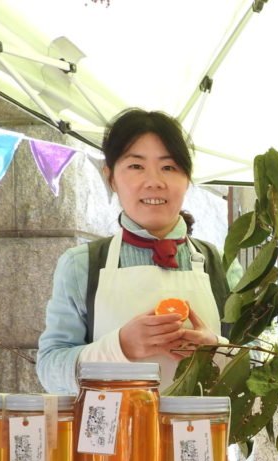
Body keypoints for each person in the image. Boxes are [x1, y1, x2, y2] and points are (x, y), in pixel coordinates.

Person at [37, 109, 234, 393]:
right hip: (112, 435)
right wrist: (120, 347)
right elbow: (49, 367)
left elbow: (259, 361)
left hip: (199, 434)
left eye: (169, 167)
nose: (154, 181)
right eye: (136, 166)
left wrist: (217, 351)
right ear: (111, 178)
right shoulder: (81, 265)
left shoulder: (221, 265)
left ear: (187, 179)